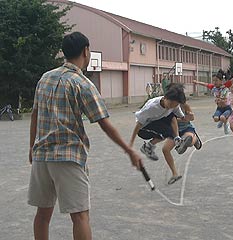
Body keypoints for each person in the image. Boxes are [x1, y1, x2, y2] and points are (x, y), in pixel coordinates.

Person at [28, 32, 142, 240]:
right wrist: (129, 150)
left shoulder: (45, 78)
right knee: (80, 216)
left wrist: (31, 148)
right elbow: (104, 123)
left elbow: (34, 115)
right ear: (86, 51)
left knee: (43, 214)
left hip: (41, 156)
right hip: (68, 156)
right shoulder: (83, 84)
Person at [129, 83, 193, 185]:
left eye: (175, 105)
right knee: (166, 131)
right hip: (144, 129)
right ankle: (148, 146)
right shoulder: (152, 107)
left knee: (172, 116)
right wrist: (130, 145)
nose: (172, 106)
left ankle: (177, 139)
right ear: (165, 98)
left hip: (158, 122)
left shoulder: (174, 106)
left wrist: (188, 117)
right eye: (171, 104)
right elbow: (138, 124)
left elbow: (181, 118)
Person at [193, 62, 233, 135]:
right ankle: (222, 121)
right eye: (213, 80)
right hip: (219, 108)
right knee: (215, 119)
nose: (214, 82)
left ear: (221, 81)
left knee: (222, 118)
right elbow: (205, 84)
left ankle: (225, 124)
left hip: (227, 107)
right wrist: (196, 82)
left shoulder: (226, 86)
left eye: (216, 80)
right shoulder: (213, 87)